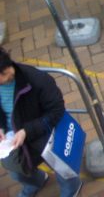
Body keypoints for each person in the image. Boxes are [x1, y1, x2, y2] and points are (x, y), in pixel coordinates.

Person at [0, 47, 83, 197]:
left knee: (62, 168)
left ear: (7, 68)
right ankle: (36, 181)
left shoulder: (37, 79)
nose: (2, 81)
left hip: (43, 131)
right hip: (13, 137)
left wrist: (26, 131)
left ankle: (72, 189)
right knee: (16, 173)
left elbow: (57, 110)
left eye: (2, 75)